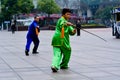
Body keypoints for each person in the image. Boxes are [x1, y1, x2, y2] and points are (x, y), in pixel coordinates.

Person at [51, 8, 76, 72]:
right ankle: (64, 65)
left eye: (70, 14)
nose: (69, 16)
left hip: (56, 40)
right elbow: (62, 24)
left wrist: (74, 31)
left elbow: (71, 32)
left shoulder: (67, 22)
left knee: (57, 53)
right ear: (63, 14)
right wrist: (67, 24)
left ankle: (54, 65)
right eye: (67, 14)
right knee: (67, 51)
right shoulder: (61, 19)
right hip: (61, 39)